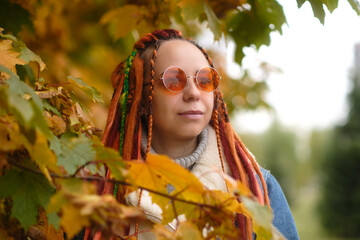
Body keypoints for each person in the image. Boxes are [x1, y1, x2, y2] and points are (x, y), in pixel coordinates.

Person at [84, 29, 299, 240]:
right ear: (140, 99)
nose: (194, 93)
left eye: (205, 80)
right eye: (174, 80)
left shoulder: (256, 187)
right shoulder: (101, 187)